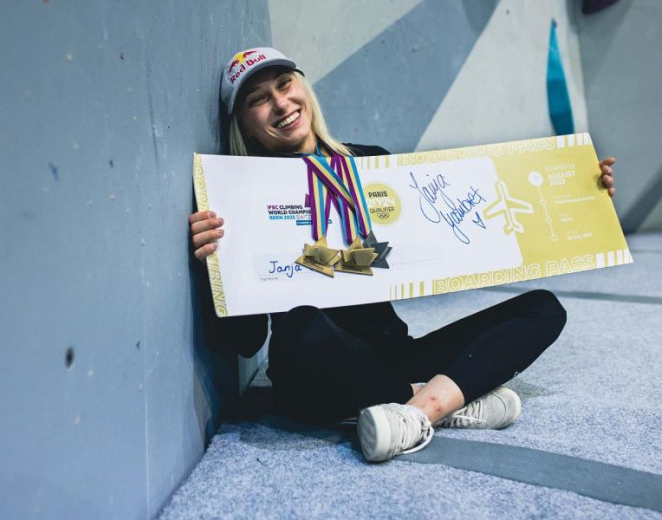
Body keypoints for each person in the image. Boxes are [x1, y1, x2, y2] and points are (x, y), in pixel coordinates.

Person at [189, 47, 617, 462]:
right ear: (244, 125)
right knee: (301, 326)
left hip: (394, 355)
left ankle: (415, 411)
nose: (281, 103)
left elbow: (457, 239)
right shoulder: (238, 199)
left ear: (303, 88)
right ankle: (447, 399)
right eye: (259, 99)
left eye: (285, 85)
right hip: (314, 370)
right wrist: (215, 260)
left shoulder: (373, 164)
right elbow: (245, 344)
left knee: (543, 309)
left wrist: (578, 192)